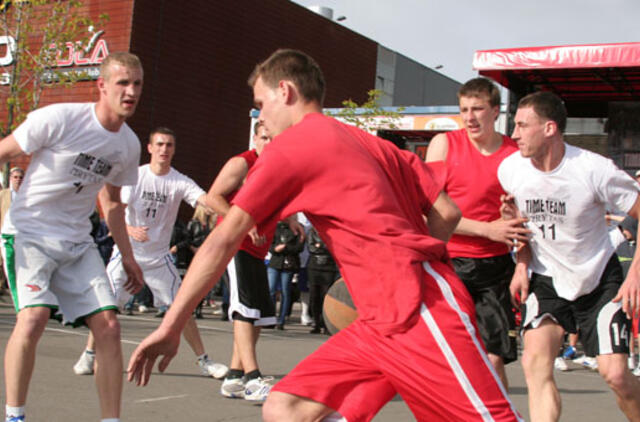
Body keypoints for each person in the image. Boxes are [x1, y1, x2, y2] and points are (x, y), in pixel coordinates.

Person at [127, 49, 522, 421]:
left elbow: (222, 239)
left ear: (286, 91)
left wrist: (171, 325)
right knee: (286, 408)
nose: (261, 117)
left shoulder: (291, 147)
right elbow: (447, 212)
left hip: (417, 310)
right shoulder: (370, 142)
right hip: (379, 321)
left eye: (262, 104)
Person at [1, 52, 145, 422]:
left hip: (78, 241)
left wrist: (128, 258)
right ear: (101, 86)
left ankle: (110, 419)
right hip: (30, 233)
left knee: (109, 327)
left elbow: (112, 204)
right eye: (122, 83)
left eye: (137, 84)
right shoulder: (60, 118)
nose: (130, 91)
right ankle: (15, 416)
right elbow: (5, 151)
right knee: (33, 318)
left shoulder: (128, 145)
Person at [500, 91, 640, 422]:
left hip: (598, 279)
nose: (515, 134)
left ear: (549, 128)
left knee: (617, 376)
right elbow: (520, 222)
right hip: (547, 278)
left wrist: (635, 274)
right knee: (535, 363)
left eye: (522, 125)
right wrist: (521, 264)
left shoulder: (595, 170)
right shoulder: (510, 170)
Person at [73, 127, 228, 380]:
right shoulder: (135, 176)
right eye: (160, 144)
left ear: (173, 150)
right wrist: (129, 229)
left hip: (158, 259)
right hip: (127, 255)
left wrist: (227, 207)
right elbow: (113, 210)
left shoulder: (179, 180)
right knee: (105, 307)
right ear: (150, 148)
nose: (164, 149)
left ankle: (205, 361)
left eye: (169, 145)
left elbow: (203, 200)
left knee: (183, 309)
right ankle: (89, 354)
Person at [426, 77, 529, 388]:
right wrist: (487, 229)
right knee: (450, 358)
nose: (470, 117)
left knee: (494, 359)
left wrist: (521, 264)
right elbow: (429, 210)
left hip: (496, 268)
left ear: (496, 111)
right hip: (450, 263)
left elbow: (525, 220)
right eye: (464, 110)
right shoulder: (444, 145)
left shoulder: (514, 154)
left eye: (478, 109)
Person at [203, 121, 279, 401]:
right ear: (255, 139)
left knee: (257, 316)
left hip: (260, 251)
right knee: (244, 311)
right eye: (264, 138)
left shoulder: (277, 168)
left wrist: (293, 219)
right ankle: (253, 378)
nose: (269, 144)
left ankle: (234, 377)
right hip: (236, 245)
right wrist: (244, 224)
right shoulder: (242, 164)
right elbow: (212, 197)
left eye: (274, 138)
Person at [267, 220, 304, 330]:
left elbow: (299, 247)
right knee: (271, 290)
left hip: (289, 264)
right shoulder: (276, 228)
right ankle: (270, 317)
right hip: (275, 262)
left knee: (285, 291)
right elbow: (269, 244)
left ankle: (281, 319)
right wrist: (275, 249)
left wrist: (286, 248)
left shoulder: (297, 228)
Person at [306, 226, 340, 334]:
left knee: (325, 297)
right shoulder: (312, 231)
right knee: (314, 296)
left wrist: (320, 246)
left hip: (328, 267)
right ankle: (316, 323)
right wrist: (323, 246)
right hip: (314, 267)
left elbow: (333, 248)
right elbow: (311, 248)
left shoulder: (333, 232)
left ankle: (325, 324)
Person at [0, 167, 24, 294]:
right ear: (10, 179)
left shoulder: (27, 196)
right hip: (5, 235)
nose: (18, 180)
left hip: (23, 236)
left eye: (20, 177)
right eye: (15, 177)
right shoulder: (3, 195)